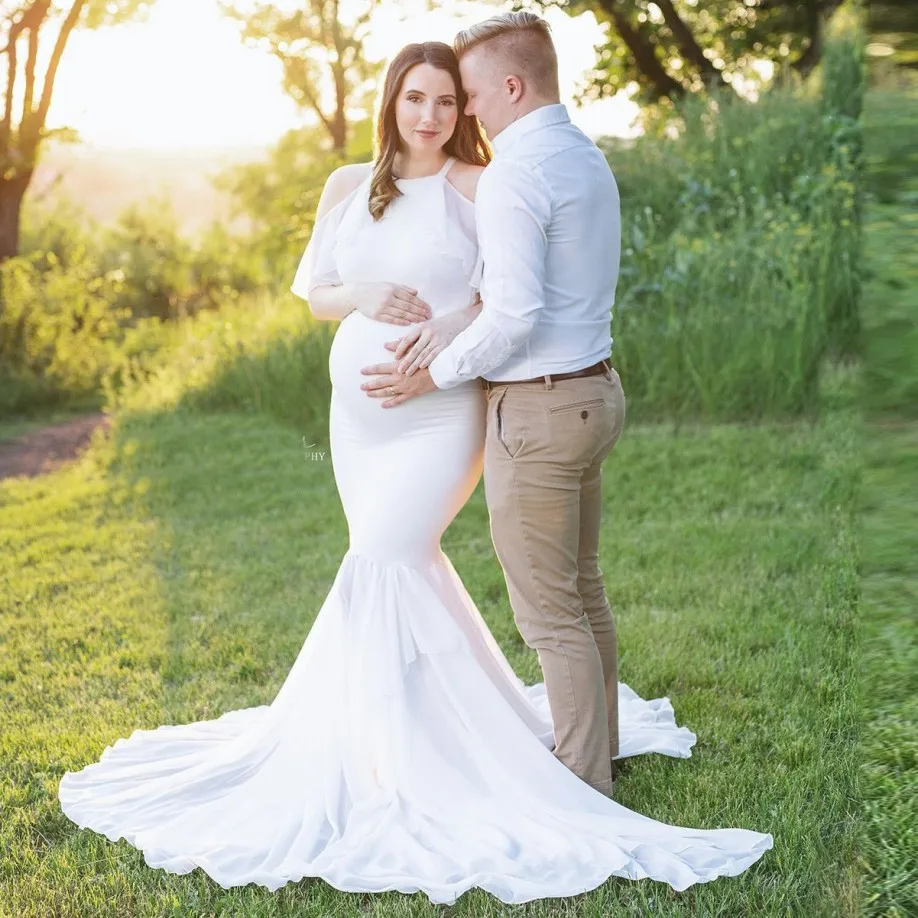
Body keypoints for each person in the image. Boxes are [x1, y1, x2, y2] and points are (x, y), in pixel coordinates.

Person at [57, 21, 772, 906]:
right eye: (417, 98)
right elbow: (318, 293)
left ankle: (429, 758)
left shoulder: (484, 181)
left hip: (438, 411)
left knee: (389, 555)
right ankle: (403, 730)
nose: (433, 114)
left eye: (448, 100)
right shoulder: (348, 183)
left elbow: (507, 292)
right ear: (391, 102)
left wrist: (441, 336)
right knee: (399, 562)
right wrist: (358, 294)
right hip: (358, 423)